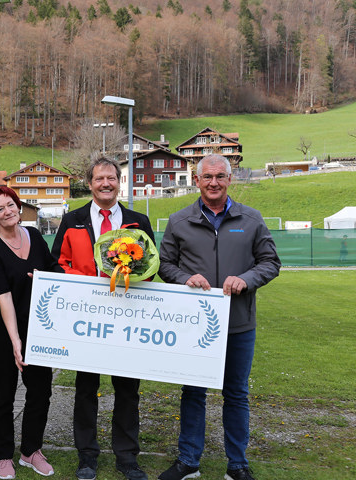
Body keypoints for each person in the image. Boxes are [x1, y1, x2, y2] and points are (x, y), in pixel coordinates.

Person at [157, 154, 281, 480]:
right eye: (207, 176)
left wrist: (247, 279)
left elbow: (270, 262)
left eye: (220, 176)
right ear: (196, 181)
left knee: (236, 394)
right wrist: (184, 277)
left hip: (239, 325)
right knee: (193, 393)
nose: (213, 182)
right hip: (194, 327)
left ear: (230, 179)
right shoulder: (178, 221)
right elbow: (164, 264)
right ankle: (188, 462)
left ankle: (237, 466)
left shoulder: (251, 219)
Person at [50, 157, 154, 480]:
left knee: (127, 390)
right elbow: (57, 264)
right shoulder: (73, 220)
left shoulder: (138, 221)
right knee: (86, 388)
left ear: (119, 183)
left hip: (127, 318)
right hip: (88, 318)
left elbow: (151, 268)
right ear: (90, 183)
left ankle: (126, 457)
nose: (106, 183)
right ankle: (87, 456)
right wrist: (83, 286)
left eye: (112, 178)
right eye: (99, 179)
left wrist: (134, 277)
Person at [0, 187, 58, 479]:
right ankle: (2, 455)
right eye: (0, 209)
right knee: (4, 391)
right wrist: (15, 343)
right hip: (0, 330)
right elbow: (3, 298)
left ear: (18, 206)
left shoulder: (35, 237)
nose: (8, 211)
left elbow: (54, 270)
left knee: (41, 390)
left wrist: (45, 278)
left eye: (10, 205)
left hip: (37, 326)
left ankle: (30, 451)